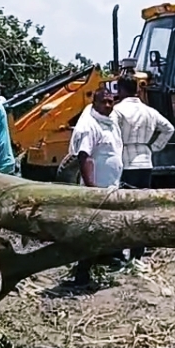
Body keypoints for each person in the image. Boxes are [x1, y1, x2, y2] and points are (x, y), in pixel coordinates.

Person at [112, 76, 174, 266]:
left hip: (127, 162)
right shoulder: (150, 111)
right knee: (142, 209)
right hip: (146, 162)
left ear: (121, 90)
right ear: (137, 90)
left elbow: (111, 133)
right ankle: (138, 253)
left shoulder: (117, 111)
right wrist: (154, 147)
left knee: (123, 209)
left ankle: (119, 253)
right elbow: (169, 129)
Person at [67, 87, 124, 286]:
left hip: (110, 187)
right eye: (103, 102)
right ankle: (81, 275)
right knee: (92, 232)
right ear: (95, 103)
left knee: (105, 228)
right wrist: (92, 188)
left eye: (111, 101)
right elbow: (85, 157)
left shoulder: (111, 123)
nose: (108, 105)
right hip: (97, 190)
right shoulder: (90, 126)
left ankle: (106, 258)